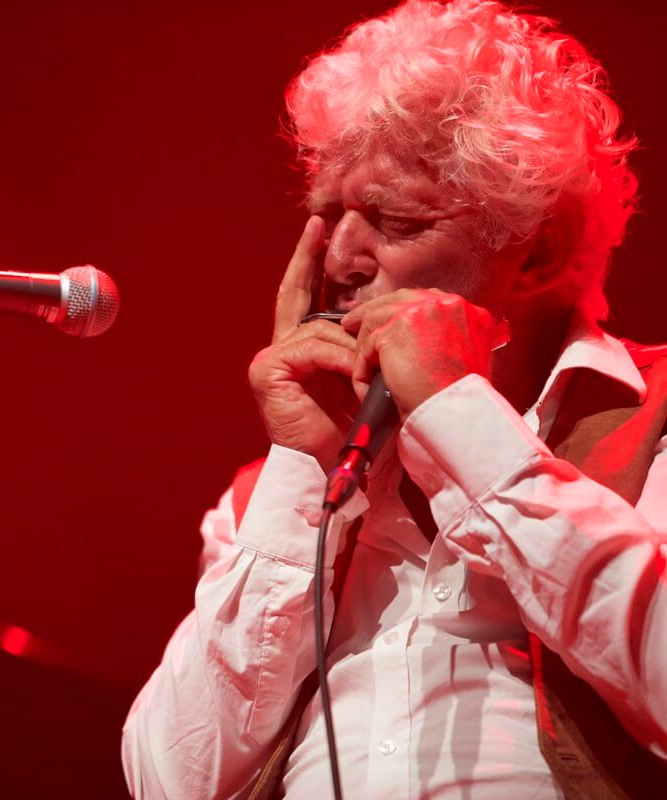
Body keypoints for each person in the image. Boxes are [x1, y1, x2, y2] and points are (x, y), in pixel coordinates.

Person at [121, 1, 667, 797]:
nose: (340, 258)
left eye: (395, 220)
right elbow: (168, 781)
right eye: (326, 216)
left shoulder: (656, 419)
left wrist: (460, 417)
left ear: (539, 249)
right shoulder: (262, 498)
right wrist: (303, 467)